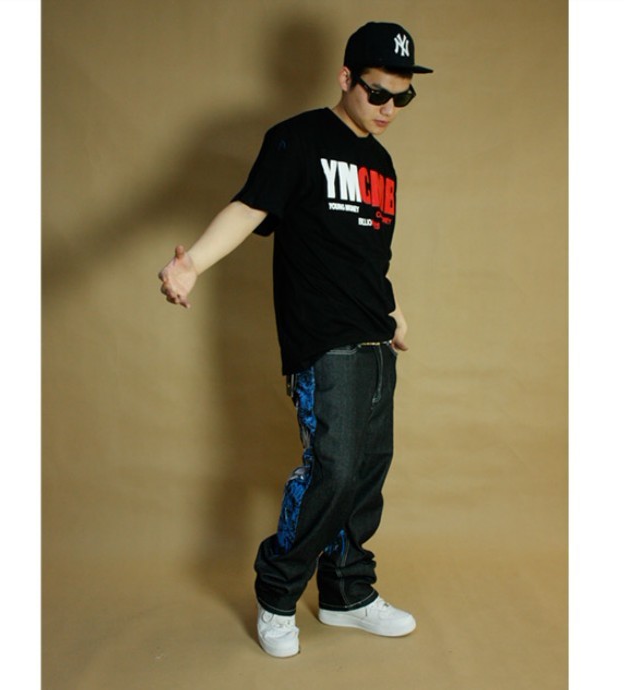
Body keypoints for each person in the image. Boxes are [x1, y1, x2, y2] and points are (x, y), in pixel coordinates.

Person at [158, 21, 433, 658]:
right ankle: (278, 595)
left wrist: (393, 312)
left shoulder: (383, 164)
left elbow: (368, 258)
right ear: (345, 78)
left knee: (366, 475)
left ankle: (347, 594)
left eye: (402, 98)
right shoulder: (297, 139)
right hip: (323, 341)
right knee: (332, 470)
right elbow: (250, 206)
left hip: (374, 340)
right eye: (376, 93)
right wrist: (192, 263)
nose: (388, 108)